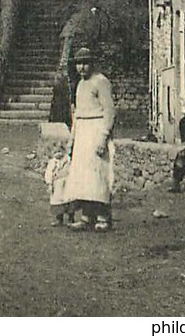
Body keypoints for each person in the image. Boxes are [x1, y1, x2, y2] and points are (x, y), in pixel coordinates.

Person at [64, 47, 115, 232]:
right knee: (84, 177)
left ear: (92, 64)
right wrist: (73, 138)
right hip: (83, 132)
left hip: (96, 129)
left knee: (98, 174)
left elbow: (109, 111)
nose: (82, 67)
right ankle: (86, 216)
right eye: (79, 63)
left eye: (85, 63)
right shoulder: (80, 84)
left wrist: (103, 137)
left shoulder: (101, 81)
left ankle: (103, 217)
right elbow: (77, 114)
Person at [44, 145, 75, 226]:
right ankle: (59, 219)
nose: (57, 154)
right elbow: (49, 173)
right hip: (57, 184)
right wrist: (49, 184)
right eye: (55, 152)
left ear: (64, 151)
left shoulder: (67, 160)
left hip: (67, 183)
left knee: (68, 200)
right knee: (57, 201)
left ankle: (71, 219)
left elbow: (72, 170)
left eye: (59, 151)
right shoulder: (52, 162)